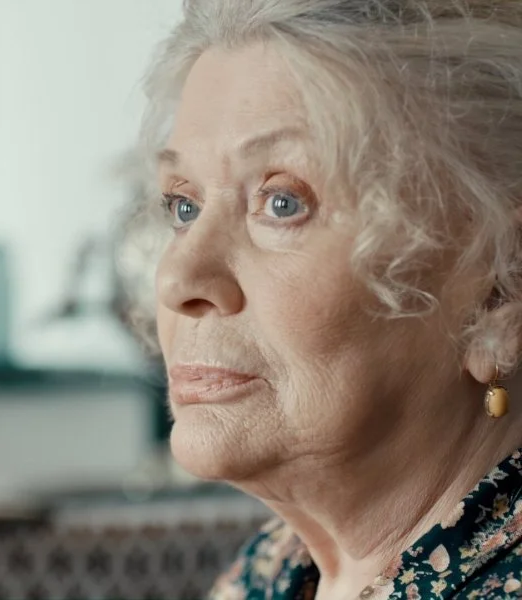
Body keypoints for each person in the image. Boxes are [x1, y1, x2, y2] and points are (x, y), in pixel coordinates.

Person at [131, 0, 522, 598]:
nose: (176, 279)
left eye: (282, 203)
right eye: (185, 207)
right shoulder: (275, 568)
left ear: (502, 282)